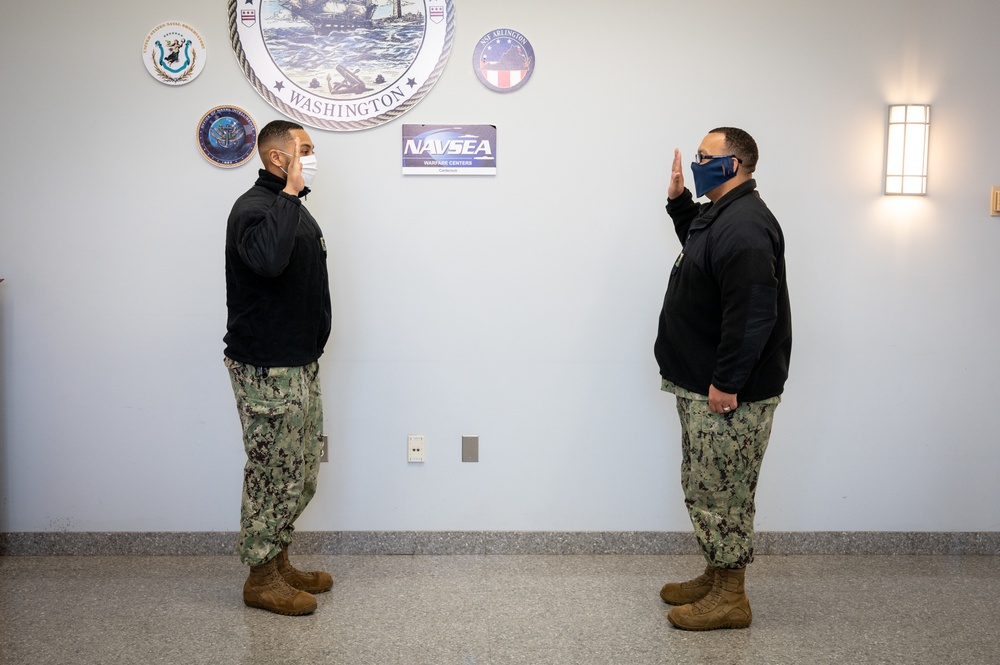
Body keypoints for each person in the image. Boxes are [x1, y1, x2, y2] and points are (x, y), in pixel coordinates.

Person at [654, 127, 791, 631]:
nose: (697, 163)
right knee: (704, 483)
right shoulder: (723, 215)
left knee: (723, 491)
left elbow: (753, 314)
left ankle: (732, 597)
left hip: (728, 393)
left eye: (705, 156)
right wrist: (679, 205)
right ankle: (717, 575)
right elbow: (703, 255)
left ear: (734, 164)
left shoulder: (748, 226)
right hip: (701, 383)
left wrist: (728, 383)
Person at [224, 119, 333, 616]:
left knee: (302, 470)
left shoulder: (291, 207)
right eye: (303, 150)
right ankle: (260, 578)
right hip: (268, 369)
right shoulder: (255, 208)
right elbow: (268, 261)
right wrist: (290, 191)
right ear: (278, 159)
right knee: (273, 473)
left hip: (298, 363)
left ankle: (278, 559)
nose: (311, 158)